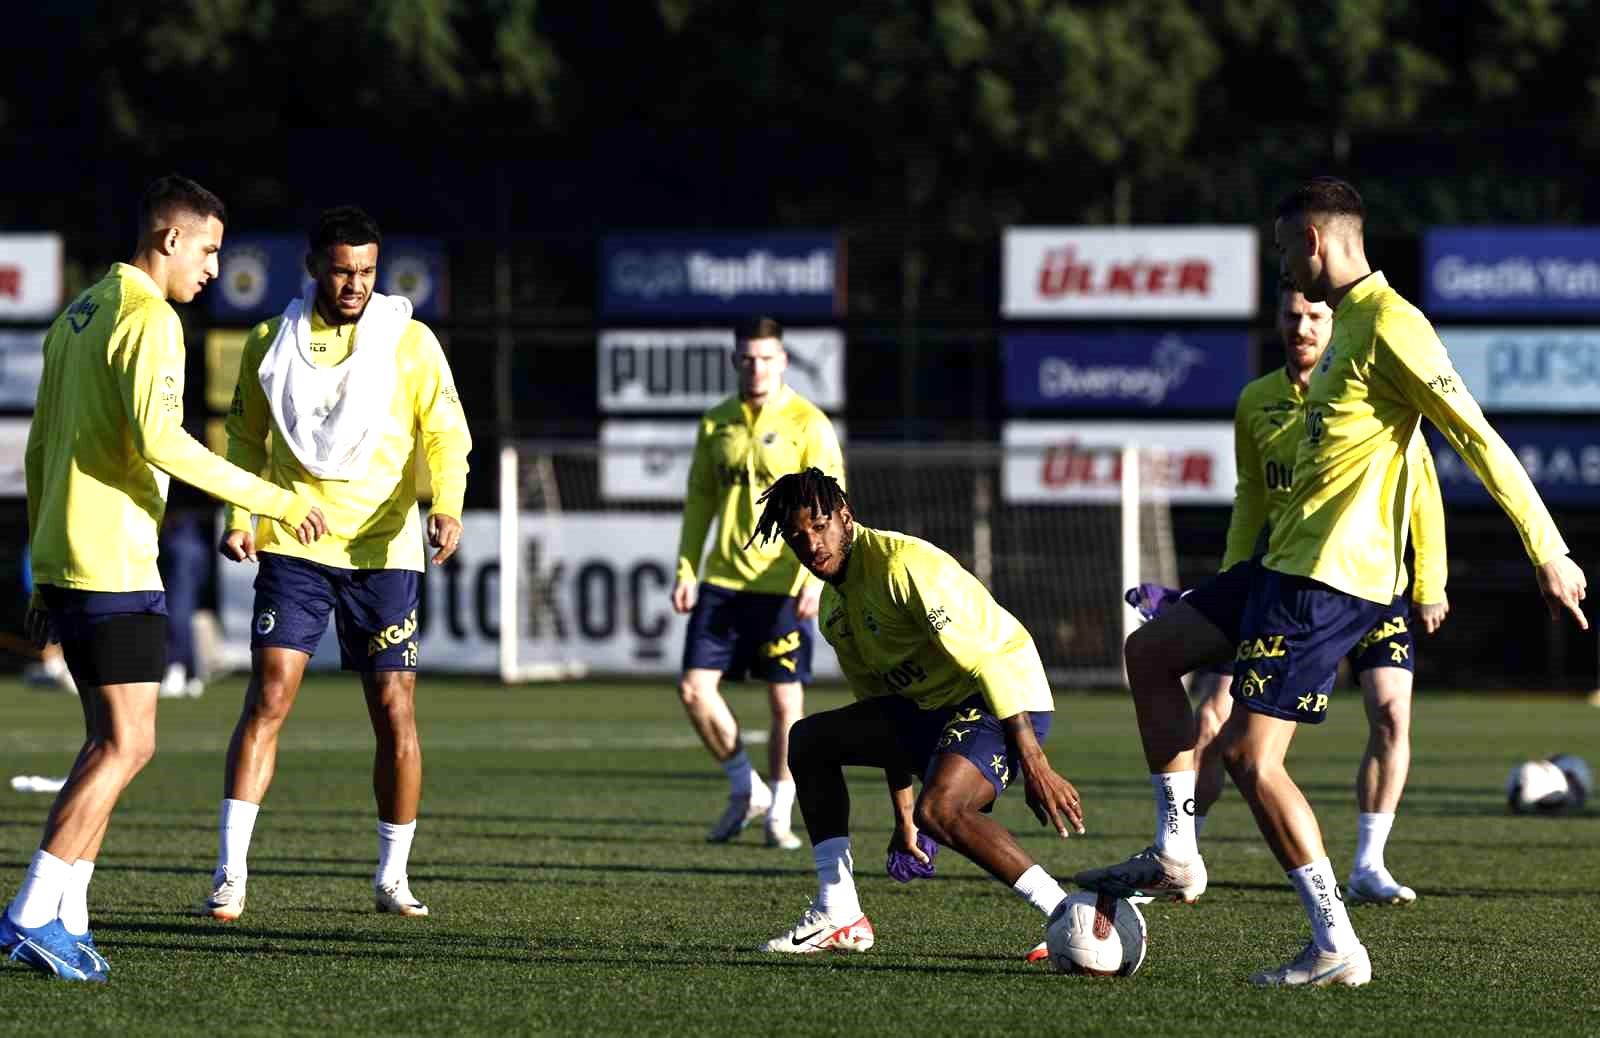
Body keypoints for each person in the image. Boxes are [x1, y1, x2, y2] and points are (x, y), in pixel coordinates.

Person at [1075, 177, 1587, 988]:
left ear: (1314, 241)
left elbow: (1476, 438)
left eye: (1284, 252)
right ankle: (1176, 850)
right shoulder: (1341, 327)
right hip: (1280, 565)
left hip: (1331, 581)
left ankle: (1336, 942)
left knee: (1250, 757)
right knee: (1152, 652)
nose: (1284, 274)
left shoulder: (1393, 326)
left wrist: (1547, 547)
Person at [1, 175, 326, 983]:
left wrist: (42, 567)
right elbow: (164, 442)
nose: (215, 268)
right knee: (128, 742)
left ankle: (68, 917)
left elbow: (41, 448)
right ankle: (28, 913)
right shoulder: (151, 318)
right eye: (210, 249)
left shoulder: (78, 314)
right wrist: (273, 500)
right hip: (111, 555)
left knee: (108, 741)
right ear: (169, 238)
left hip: (71, 555)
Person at [199, 206, 471, 923]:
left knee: (394, 708)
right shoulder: (271, 340)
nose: (355, 284)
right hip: (295, 545)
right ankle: (231, 875)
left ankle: (393, 875)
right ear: (316, 265)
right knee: (270, 694)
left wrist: (447, 504)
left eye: (368, 271)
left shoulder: (409, 342)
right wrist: (241, 517)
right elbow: (245, 441)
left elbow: (446, 434)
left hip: (384, 552)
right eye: (343, 270)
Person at [1183, 282, 1450, 906]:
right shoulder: (1257, 401)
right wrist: (1227, 576)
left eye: (1314, 316)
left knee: (1390, 712)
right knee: (1215, 721)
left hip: (1374, 584)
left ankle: (1369, 862)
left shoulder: (1377, 392)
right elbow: (1251, 494)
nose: (1301, 327)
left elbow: (1423, 493)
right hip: (1281, 580)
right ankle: (1183, 849)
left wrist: (1429, 582)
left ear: (1336, 324)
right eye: (1290, 315)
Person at [745, 468, 1085, 954]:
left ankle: (1068, 914)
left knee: (942, 810)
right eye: (798, 537)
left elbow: (987, 662)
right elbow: (887, 716)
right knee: (809, 740)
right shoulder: (833, 612)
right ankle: (839, 912)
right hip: (932, 710)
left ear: (845, 516)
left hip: (1003, 698)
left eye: (820, 527)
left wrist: (1035, 762)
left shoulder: (902, 567)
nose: (812, 543)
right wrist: (903, 817)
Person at [671, 318, 844, 849]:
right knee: (694, 691)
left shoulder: (807, 422)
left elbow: (830, 508)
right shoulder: (716, 422)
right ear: (734, 361)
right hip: (723, 578)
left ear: (784, 361)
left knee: (784, 703)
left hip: (782, 581)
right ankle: (746, 787)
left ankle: (779, 814)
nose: (757, 366)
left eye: (767, 357)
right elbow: (701, 498)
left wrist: (815, 577)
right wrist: (686, 566)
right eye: (747, 358)